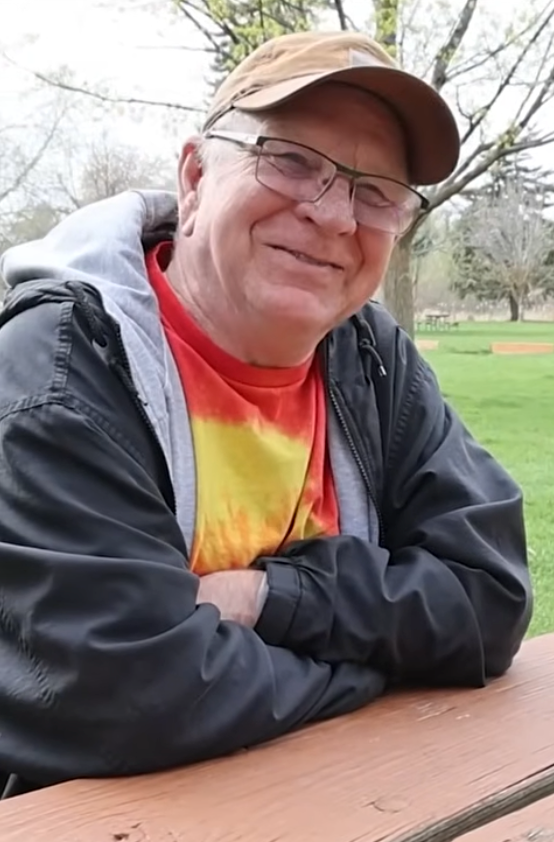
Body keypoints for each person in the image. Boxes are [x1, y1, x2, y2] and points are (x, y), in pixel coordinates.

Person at [0, 30, 531, 797]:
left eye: (375, 192)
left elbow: (489, 599)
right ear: (193, 175)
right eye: (290, 161)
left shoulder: (373, 362)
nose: (334, 215)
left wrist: (268, 598)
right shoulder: (61, 370)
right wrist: (386, 662)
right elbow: (132, 696)